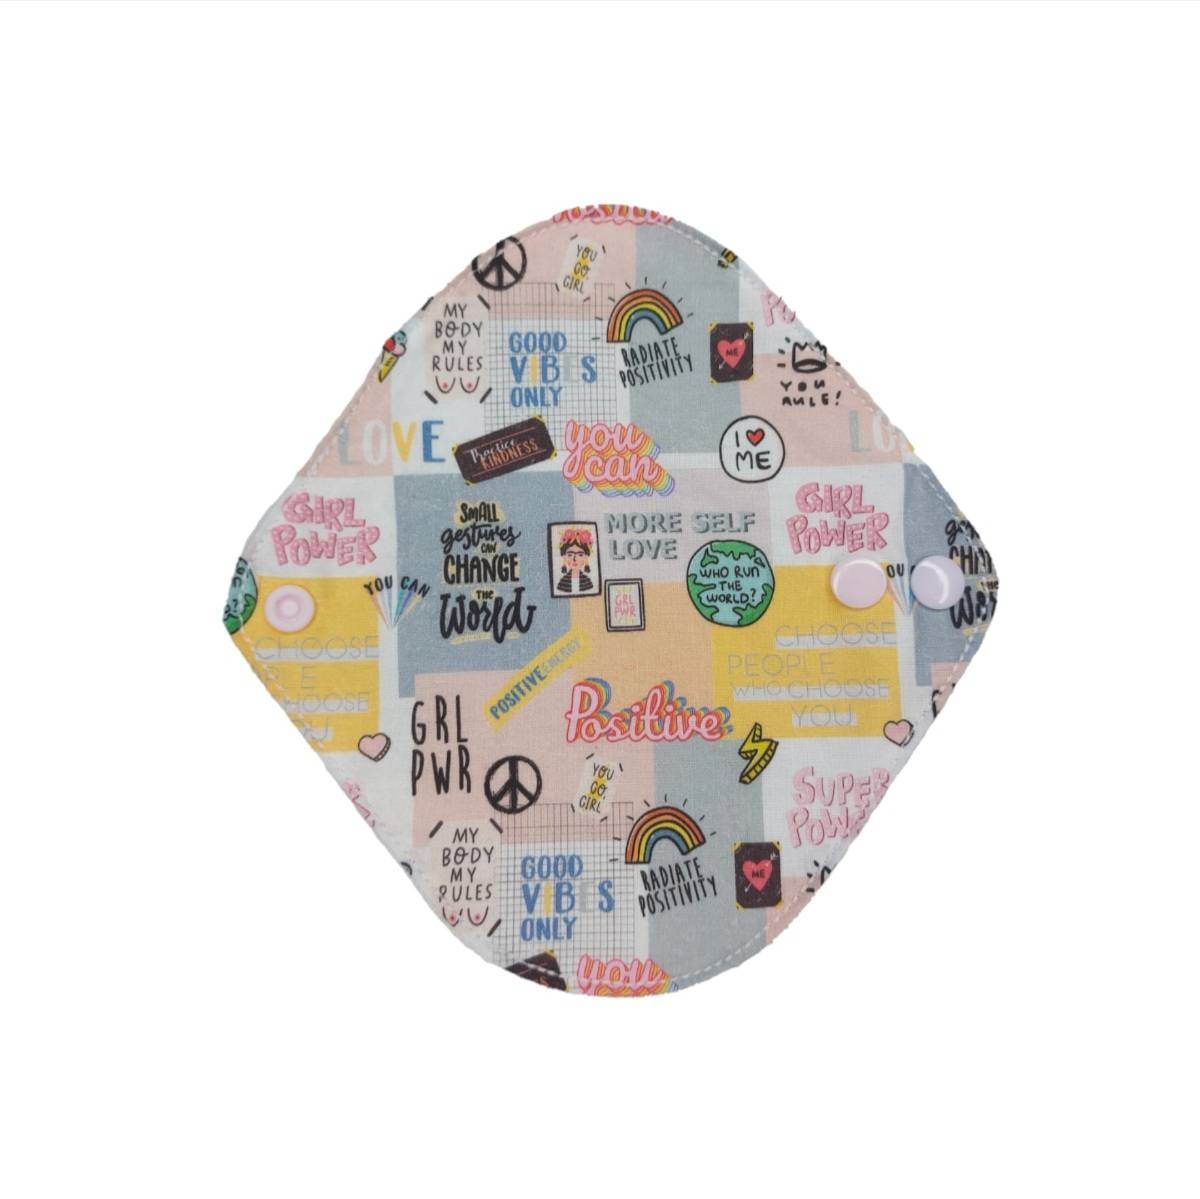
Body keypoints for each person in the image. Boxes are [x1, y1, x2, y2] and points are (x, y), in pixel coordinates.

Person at [555, 526, 596, 595]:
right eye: (570, 555)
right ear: (564, 556)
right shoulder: (562, 583)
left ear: (586, 557)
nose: (574, 559)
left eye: (580, 555)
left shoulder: (588, 583)